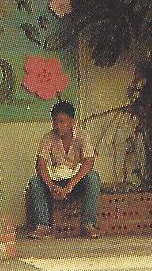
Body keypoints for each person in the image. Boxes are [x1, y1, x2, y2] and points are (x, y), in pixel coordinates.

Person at [27, 100, 101, 239]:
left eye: (62, 122)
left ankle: (88, 224)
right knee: (35, 181)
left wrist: (70, 186)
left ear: (72, 122)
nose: (57, 126)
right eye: (55, 122)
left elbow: (89, 162)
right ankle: (43, 226)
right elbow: (41, 164)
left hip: (75, 182)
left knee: (93, 177)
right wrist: (51, 186)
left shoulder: (82, 136)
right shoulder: (48, 137)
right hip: (56, 181)